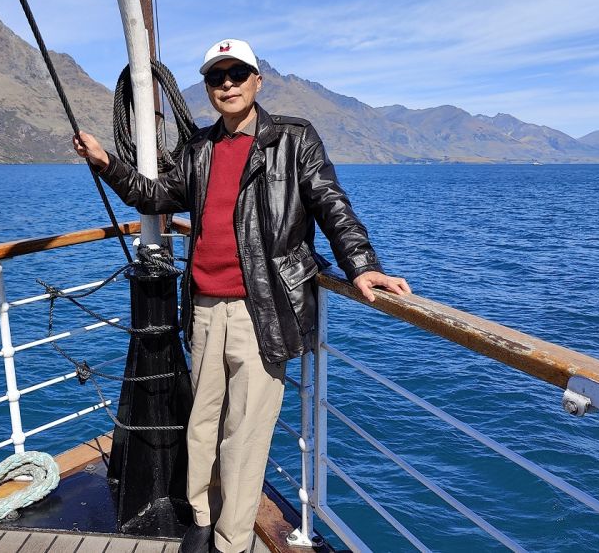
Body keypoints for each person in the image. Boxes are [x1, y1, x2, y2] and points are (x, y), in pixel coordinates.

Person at [74, 38, 411, 553]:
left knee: (245, 432)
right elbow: (156, 196)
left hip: (264, 308)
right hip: (205, 307)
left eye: (237, 74)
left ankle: (231, 540)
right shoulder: (200, 148)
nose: (227, 85)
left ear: (258, 80)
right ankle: (202, 518)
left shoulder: (293, 138)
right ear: (208, 87)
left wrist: (362, 267)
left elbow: (330, 204)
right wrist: (105, 161)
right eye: (216, 77)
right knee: (203, 423)